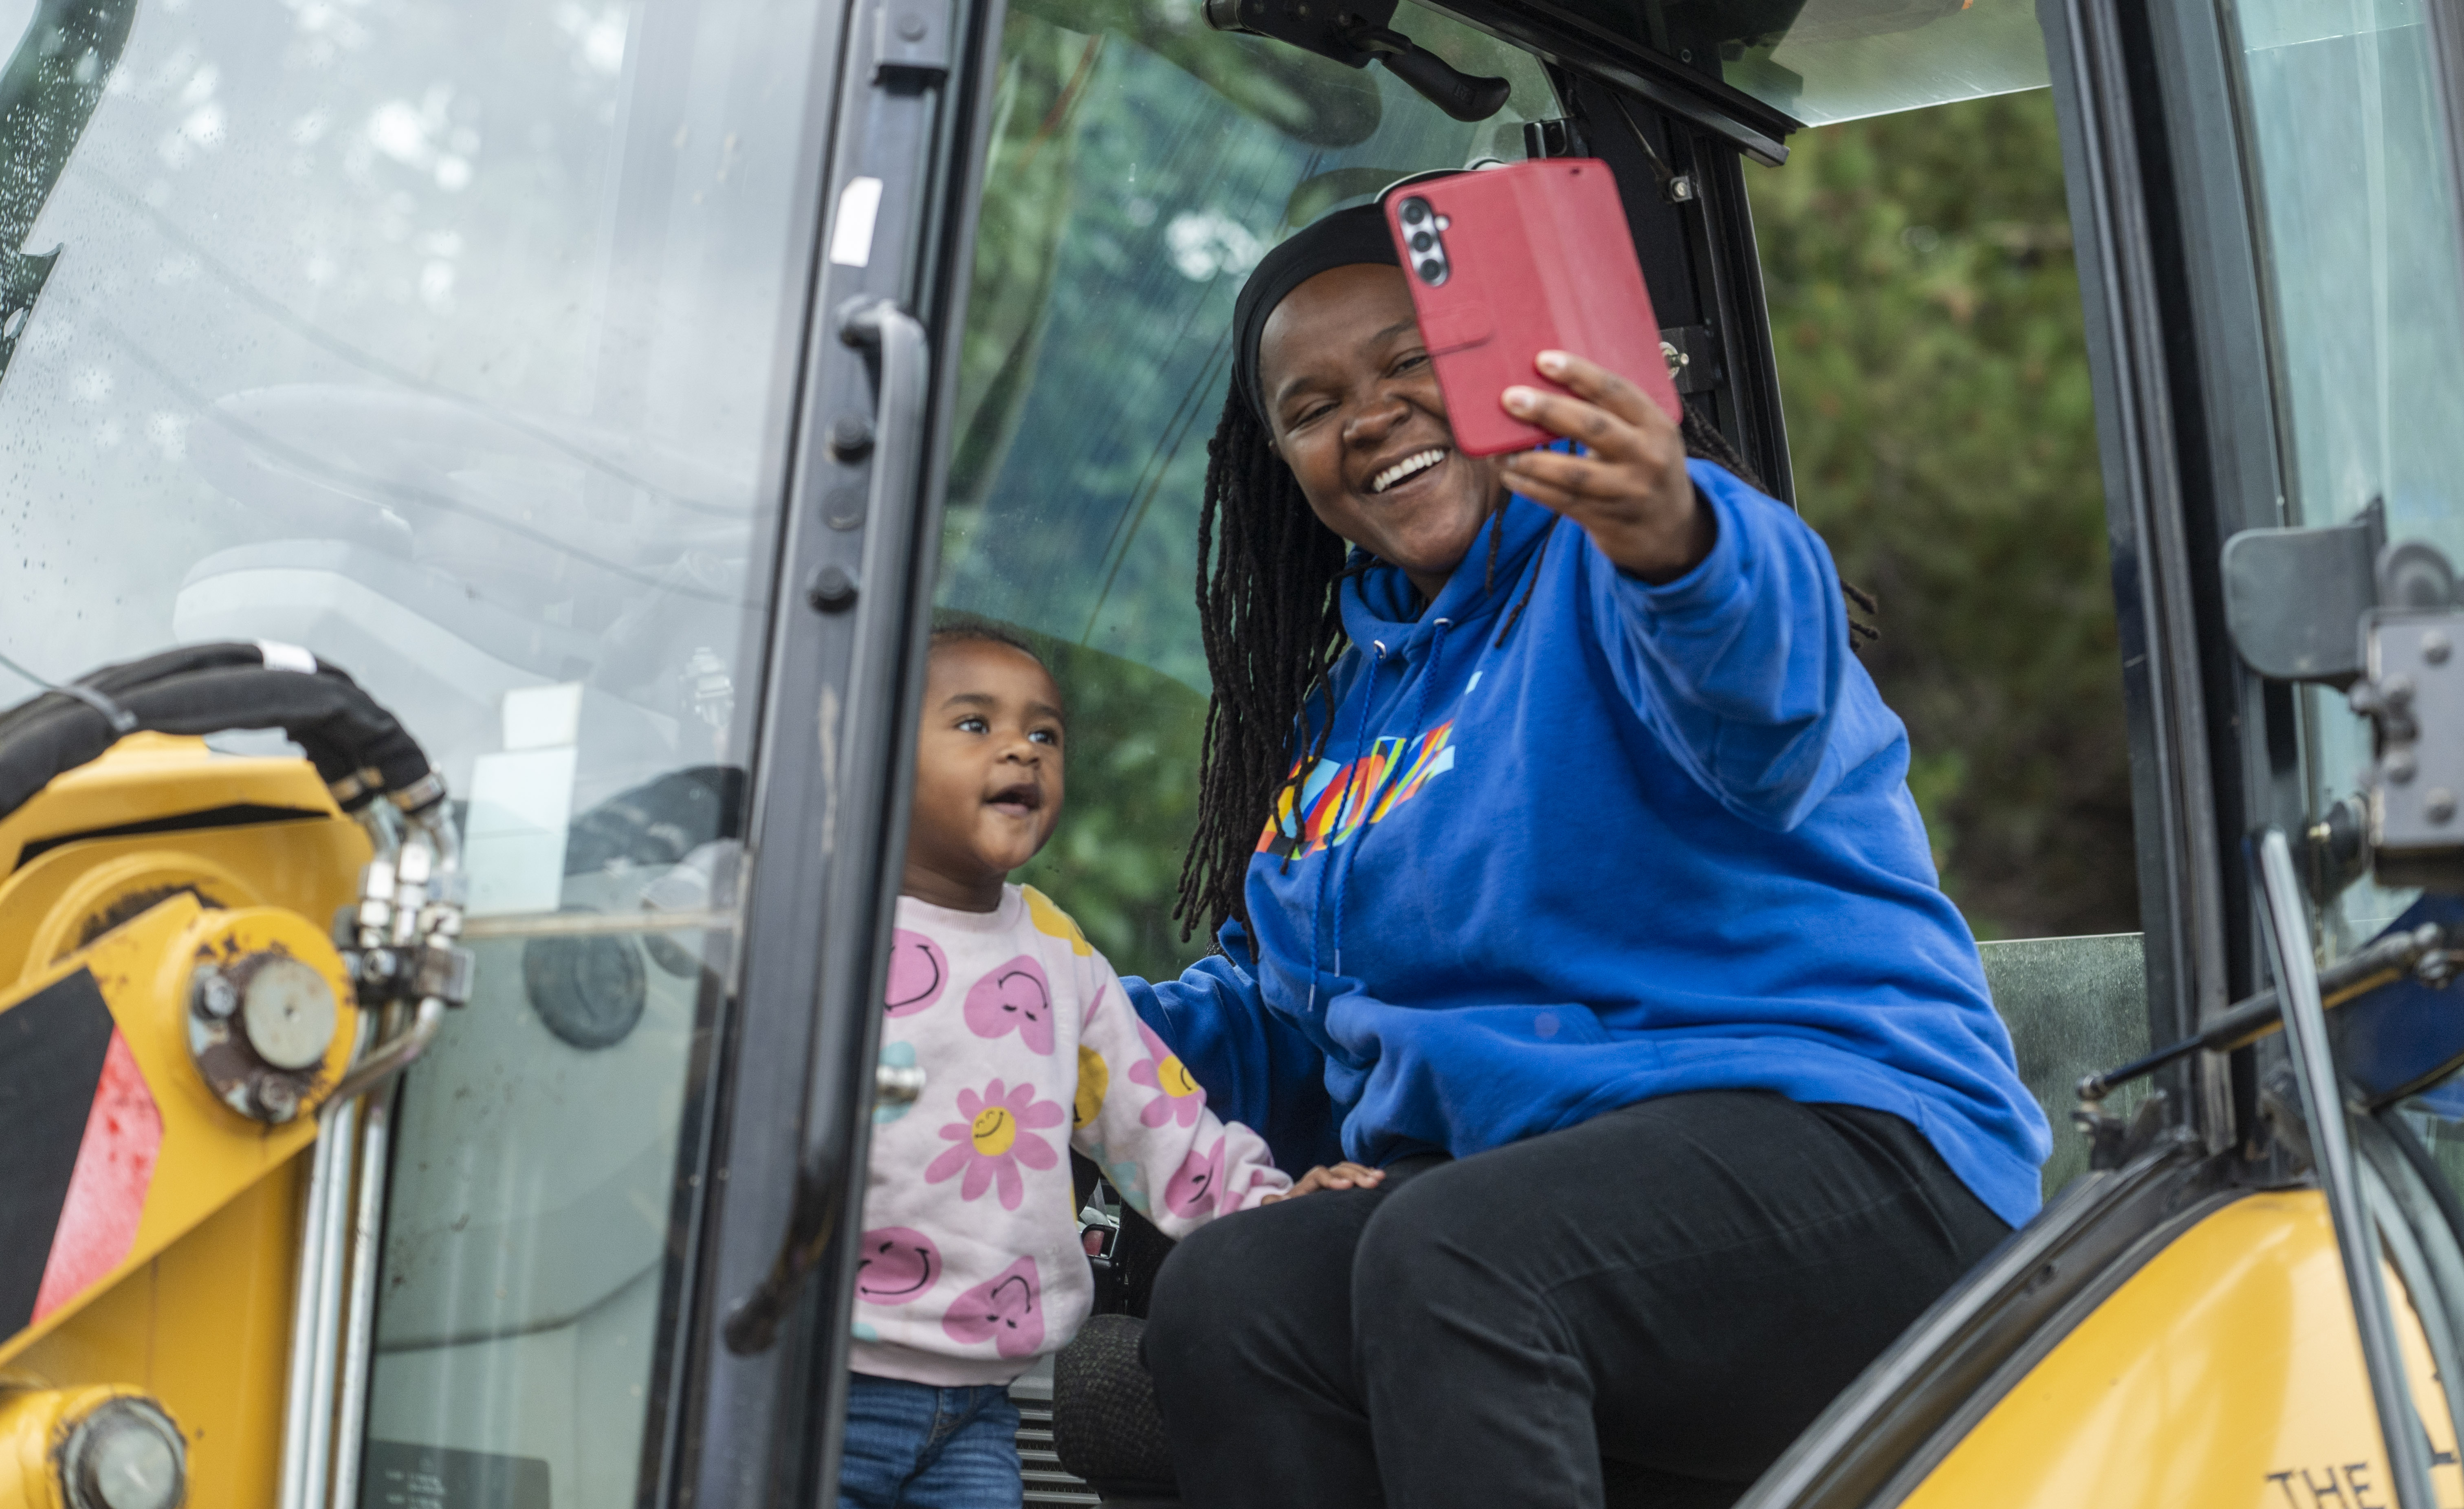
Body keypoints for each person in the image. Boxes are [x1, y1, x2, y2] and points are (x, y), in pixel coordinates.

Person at [1120, 201, 2051, 1507]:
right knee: (1233, 1295)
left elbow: (1763, 689)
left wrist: (1675, 531)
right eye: (1313, 404)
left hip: (1848, 1159)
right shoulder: (1350, 715)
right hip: (1531, 1214)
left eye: (1410, 363)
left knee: (1452, 1252)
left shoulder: (1625, 563)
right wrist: (1038, 1014)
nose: (1370, 415)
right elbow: (1283, 1020)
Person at [840, 623, 1375, 1509]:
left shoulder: (1055, 954)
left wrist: (1276, 1211)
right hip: (837, 1382)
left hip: (977, 1405)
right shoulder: (835, 933)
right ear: (880, 754)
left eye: (1044, 732)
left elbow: (1154, 1121)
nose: (1020, 746)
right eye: (974, 723)